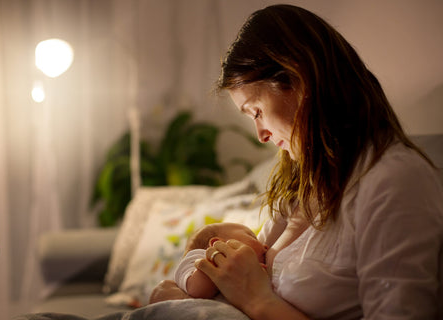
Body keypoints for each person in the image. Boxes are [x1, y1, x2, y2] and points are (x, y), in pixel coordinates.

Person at [150, 4, 443, 319]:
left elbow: (251, 292)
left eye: (257, 111)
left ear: (298, 79)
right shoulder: (300, 184)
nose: (260, 134)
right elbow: (236, 281)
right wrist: (182, 295)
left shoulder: (394, 180)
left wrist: (258, 301)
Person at [174, 222, 268, 299]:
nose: (265, 246)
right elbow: (196, 289)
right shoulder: (196, 259)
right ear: (218, 244)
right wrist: (217, 263)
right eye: (252, 237)